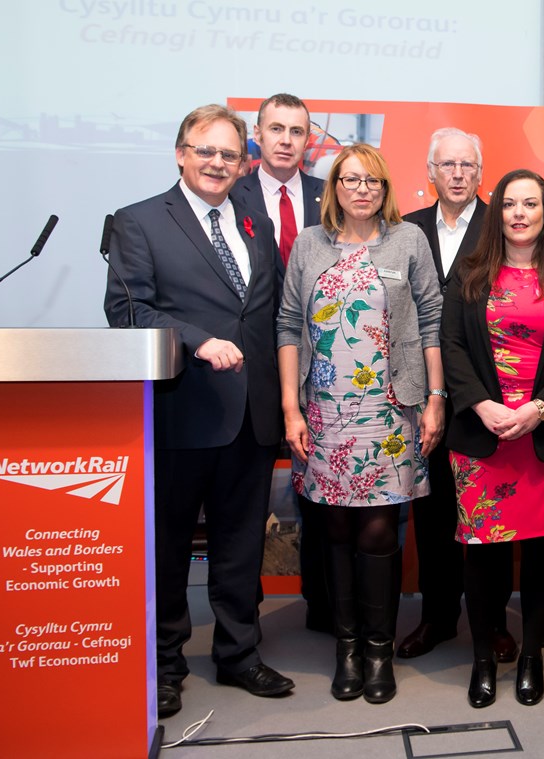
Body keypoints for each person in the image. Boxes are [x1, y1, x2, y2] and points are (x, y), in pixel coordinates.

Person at [104, 104, 294, 719]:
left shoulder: (254, 221)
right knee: (169, 547)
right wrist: (197, 340)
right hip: (181, 410)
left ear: (245, 163)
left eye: (229, 154)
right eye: (205, 150)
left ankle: (239, 654)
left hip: (252, 414)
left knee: (242, 544)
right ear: (181, 153)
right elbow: (128, 309)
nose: (217, 163)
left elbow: (263, 313)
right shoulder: (137, 223)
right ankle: (164, 664)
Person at [276, 143, 445, 705]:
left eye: (372, 180)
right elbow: (288, 327)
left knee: (378, 532)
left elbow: (430, 321)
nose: (362, 189)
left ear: (385, 187)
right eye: (351, 180)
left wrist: (436, 397)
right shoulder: (308, 244)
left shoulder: (408, 240)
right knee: (336, 531)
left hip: (391, 409)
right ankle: (346, 649)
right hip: (324, 411)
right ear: (335, 188)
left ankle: (379, 651)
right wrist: (290, 409)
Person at [440, 169, 544, 707]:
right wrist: (482, 404)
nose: (520, 213)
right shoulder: (469, 272)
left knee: (541, 558)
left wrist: (539, 408)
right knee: (482, 558)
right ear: (497, 212)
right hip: (481, 436)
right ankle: (483, 660)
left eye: (531, 203)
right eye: (510, 204)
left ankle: (531, 657)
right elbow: (451, 343)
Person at [399, 128, 518, 664]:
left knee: (489, 516)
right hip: (421, 396)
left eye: (468, 165)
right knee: (434, 513)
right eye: (447, 165)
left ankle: (491, 623)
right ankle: (437, 617)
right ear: (431, 172)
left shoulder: (506, 225)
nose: (457, 174)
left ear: (480, 172)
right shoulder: (407, 230)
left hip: (487, 397)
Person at [231, 92, 330, 632]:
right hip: (249, 374)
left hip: (325, 373)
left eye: (297, 131)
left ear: (308, 140)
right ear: (258, 135)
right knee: (245, 504)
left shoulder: (330, 196)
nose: (287, 140)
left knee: (322, 496)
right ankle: (243, 614)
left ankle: (323, 603)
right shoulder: (231, 194)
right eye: (277, 129)